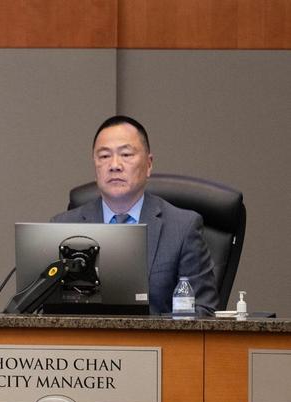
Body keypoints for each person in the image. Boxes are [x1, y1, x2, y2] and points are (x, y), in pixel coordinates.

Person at [52, 115, 217, 315]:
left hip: (156, 336)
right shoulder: (63, 227)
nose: (114, 165)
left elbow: (202, 311)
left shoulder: (182, 228)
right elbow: (46, 311)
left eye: (126, 154)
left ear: (149, 164)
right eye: (104, 156)